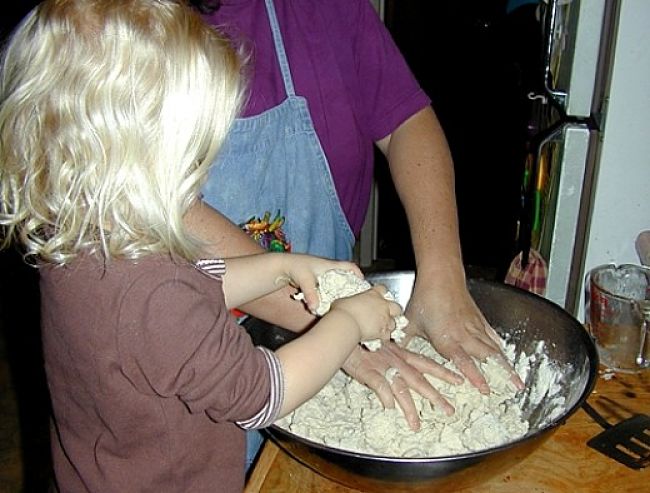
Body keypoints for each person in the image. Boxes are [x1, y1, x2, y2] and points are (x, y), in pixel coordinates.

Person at [0, 1, 412, 491]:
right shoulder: (153, 296)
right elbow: (264, 393)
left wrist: (278, 266)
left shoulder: (83, 242)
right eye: (193, 150)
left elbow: (176, 295)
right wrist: (348, 322)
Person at [185, 0, 525, 466]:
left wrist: (443, 276)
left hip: (335, 328)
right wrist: (334, 328)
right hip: (193, 365)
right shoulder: (127, 24)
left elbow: (406, 121)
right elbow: (158, 209)